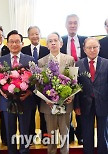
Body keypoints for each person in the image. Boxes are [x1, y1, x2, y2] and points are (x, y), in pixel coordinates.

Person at [0, 30, 35, 154]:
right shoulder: (0, 60)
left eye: (17, 41)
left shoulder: (30, 59)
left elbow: (35, 81)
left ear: (22, 43)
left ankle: (25, 151)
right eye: (11, 42)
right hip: (7, 101)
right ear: (7, 44)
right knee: (9, 131)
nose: (14, 44)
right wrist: (0, 91)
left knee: (25, 130)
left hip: (25, 101)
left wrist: (29, 92)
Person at [38, 32, 75, 154]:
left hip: (65, 104)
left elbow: (74, 81)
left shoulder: (69, 60)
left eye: (55, 40)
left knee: (65, 134)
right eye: (50, 41)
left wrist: (71, 96)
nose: (53, 43)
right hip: (48, 106)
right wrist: (46, 99)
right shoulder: (41, 62)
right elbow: (38, 84)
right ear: (47, 45)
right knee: (51, 135)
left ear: (61, 43)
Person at [74, 37, 108, 154]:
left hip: (103, 103)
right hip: (85, 105)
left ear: (99, 48)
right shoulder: (78, 64)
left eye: (95, 47)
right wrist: (76, 105)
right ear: (84, 49)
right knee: (87, 134)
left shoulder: (106, 63)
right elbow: (76, 87)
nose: (92, 50)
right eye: (89, 47)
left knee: (103, 134)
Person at [61, 14, 87, 144]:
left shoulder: (85, 39)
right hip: (64, 78)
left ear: (78, 25)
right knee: (67, 104)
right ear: (66, 25)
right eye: (70, 23)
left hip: (83, 77)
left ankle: (81, 133)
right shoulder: (61, 40)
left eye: (75, 23)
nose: (72, 25)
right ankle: (69, 132)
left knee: (81, 105)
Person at [21, 26, 49, 144]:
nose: (35, 36)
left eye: (37, 34)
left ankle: (45, 137)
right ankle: (31, 137)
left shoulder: (46, 50)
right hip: (29, 89)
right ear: (28, 36)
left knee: (44, 114)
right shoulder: (24, 50)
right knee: (30, 113)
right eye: (32, 34)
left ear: (40, 35)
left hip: (44, 88)